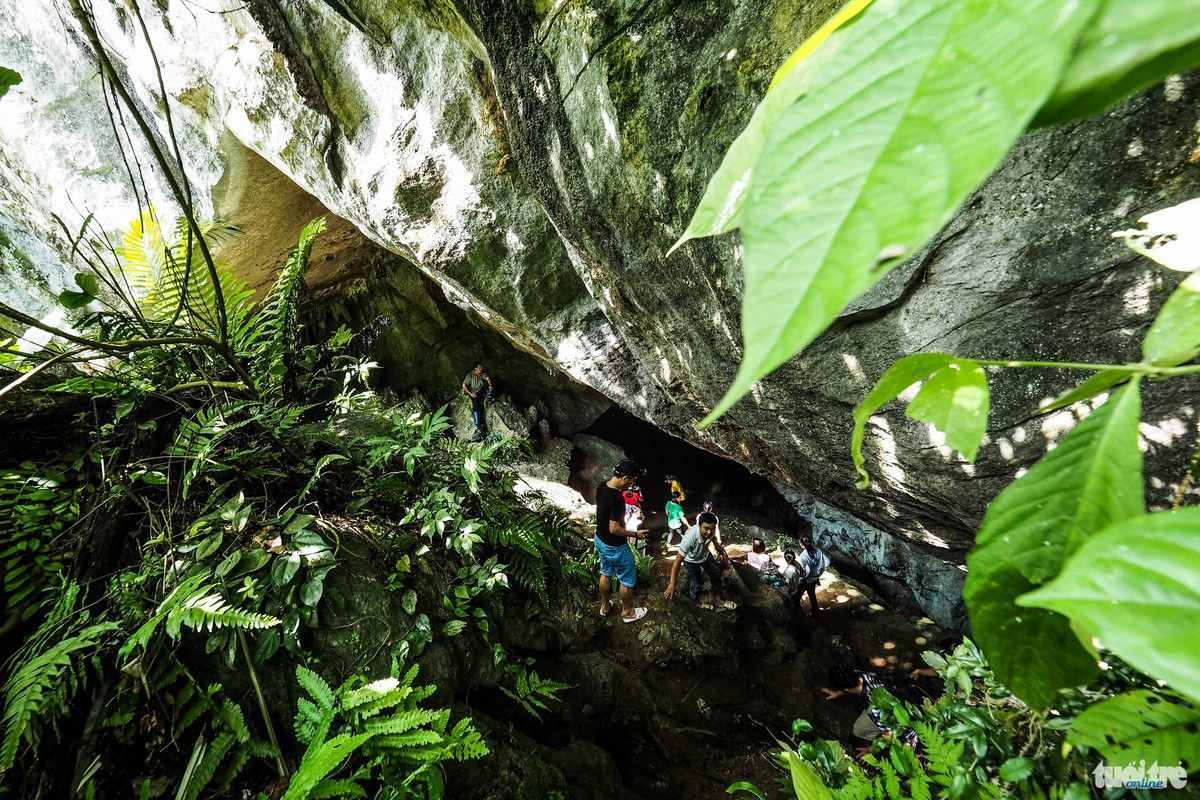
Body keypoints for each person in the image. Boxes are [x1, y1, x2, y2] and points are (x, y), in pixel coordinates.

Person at [594, 459, 650, 622]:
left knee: (605, 572)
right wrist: (635, 534)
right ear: (625, 478)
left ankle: (605, 606)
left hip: (600, 539)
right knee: (626, 578)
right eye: (632, 480)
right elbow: (614, 528)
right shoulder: (617, 499)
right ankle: (627, 612)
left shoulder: (602, 486)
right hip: (615, 546)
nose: (632, 483)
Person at [822, 665, 918, 746]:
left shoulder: (874, 708)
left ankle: (895, 745)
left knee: (858, 730)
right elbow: (852, 685)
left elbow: (889, 733)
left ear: (846, 689)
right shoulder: (863, 675)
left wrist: (871, 749)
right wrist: (837, 693)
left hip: (907, 733)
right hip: (908, 708)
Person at [663, 512, 737, 610]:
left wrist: (722, 553)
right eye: (706, 528)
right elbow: (677, 562)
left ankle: (717, 599)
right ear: (699, 526)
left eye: (712, 528)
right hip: (691, 560)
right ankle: (695, 602)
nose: (709, 531)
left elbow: (715, 541)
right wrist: (672, 583)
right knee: (697, 582)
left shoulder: (711, 532)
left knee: (716, 573)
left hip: (704, 555)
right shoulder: (690, 538)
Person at [796, 534, 830, 616]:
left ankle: (799, 614)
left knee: (796, 597)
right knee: (812, 596)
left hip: (806, 580)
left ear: (802, 544)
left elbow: (804, 570)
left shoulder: (804, 556)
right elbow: (827, 561)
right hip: (814, 578)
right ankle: (815, 613)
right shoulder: (818, 550)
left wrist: (801, 578)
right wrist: (821, 571)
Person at [461, 362, 494, 441]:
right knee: (476, 405)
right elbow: (464, 385)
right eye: (479, 368)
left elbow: (487, 378)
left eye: (481, 367)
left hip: (481, 389)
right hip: (475, 392)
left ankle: (490, 396)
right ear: (475, 368)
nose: (481, 369)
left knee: (487, 387)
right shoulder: (470, 375)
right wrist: (470, 393)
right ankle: (477, 423)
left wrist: (490, 384)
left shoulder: (482, 374)